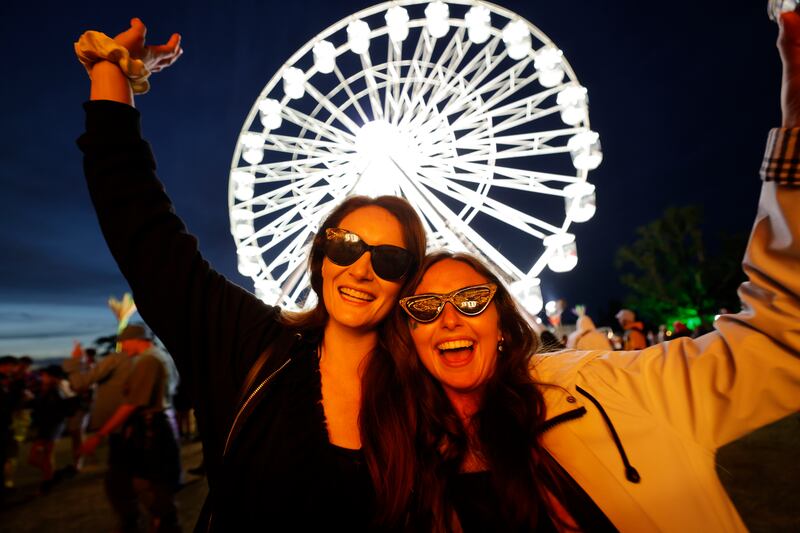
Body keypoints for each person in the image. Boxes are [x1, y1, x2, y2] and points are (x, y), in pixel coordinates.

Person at [382, 12, 800, 529]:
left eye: (471, 300)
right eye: (425, 307)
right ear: (408, 334)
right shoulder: (401, 464)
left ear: (503, 327)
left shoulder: (605, 391)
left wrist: (795, 145)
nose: (449, 318)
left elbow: (781, 341)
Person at [74, 17, 427, 529]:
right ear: (321, 255)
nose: (363, 268)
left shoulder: (427, 395)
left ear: (408, 280)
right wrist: (113, 72)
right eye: (346, 245)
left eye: (390, 259)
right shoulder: (250, 345)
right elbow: (144, 232)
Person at [80, 324, 182, 531]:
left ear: (136, 339)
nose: (122, 348)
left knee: (147, 481)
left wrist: (99, 435)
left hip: (151, 429)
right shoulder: (162, 355)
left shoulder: (148, 360)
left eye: (124, 342)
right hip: (160, 424)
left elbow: (132, 404)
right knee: (150, 480)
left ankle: (160, 523)